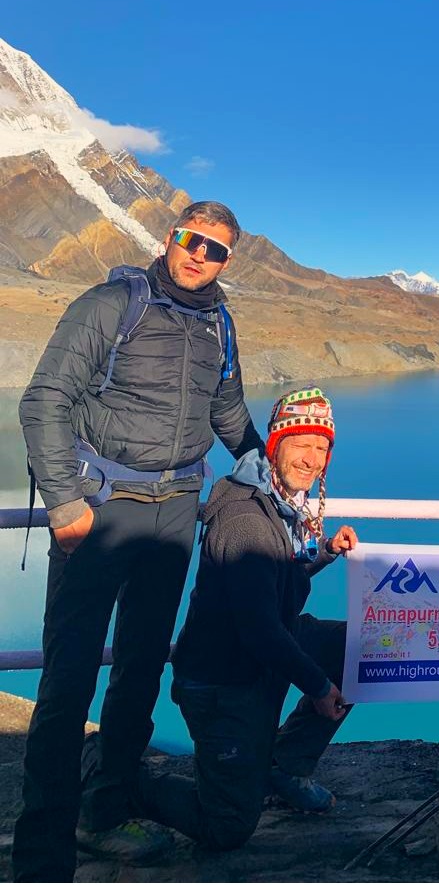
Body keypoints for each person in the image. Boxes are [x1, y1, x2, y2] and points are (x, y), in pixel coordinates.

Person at [14, 201, 262, 882]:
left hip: (175, 510)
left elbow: (227, 411)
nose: (198, 256)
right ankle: (41, 857)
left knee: (141, 668)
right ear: (168, 238)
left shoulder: (220, 325)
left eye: (214, 249)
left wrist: (272, 473)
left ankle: (105, 814)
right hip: (102, 509)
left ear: (227, 259)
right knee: (67, 682)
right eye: (190, 241)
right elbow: (44, 401)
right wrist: (64, 503)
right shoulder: (112, 303)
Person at [133, 385, 358, 851]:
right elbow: (258, 629)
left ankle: (285, 766)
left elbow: (274, 579)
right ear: (275, 445)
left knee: (365, 647)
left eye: (322, 447)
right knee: (230, 826)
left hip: (262, 652)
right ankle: (114, 780)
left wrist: (325, 553)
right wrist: (318, 688)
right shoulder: (245, 520)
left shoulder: (273, 498)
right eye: (302, 443)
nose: (312, 459)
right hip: (226, 680)